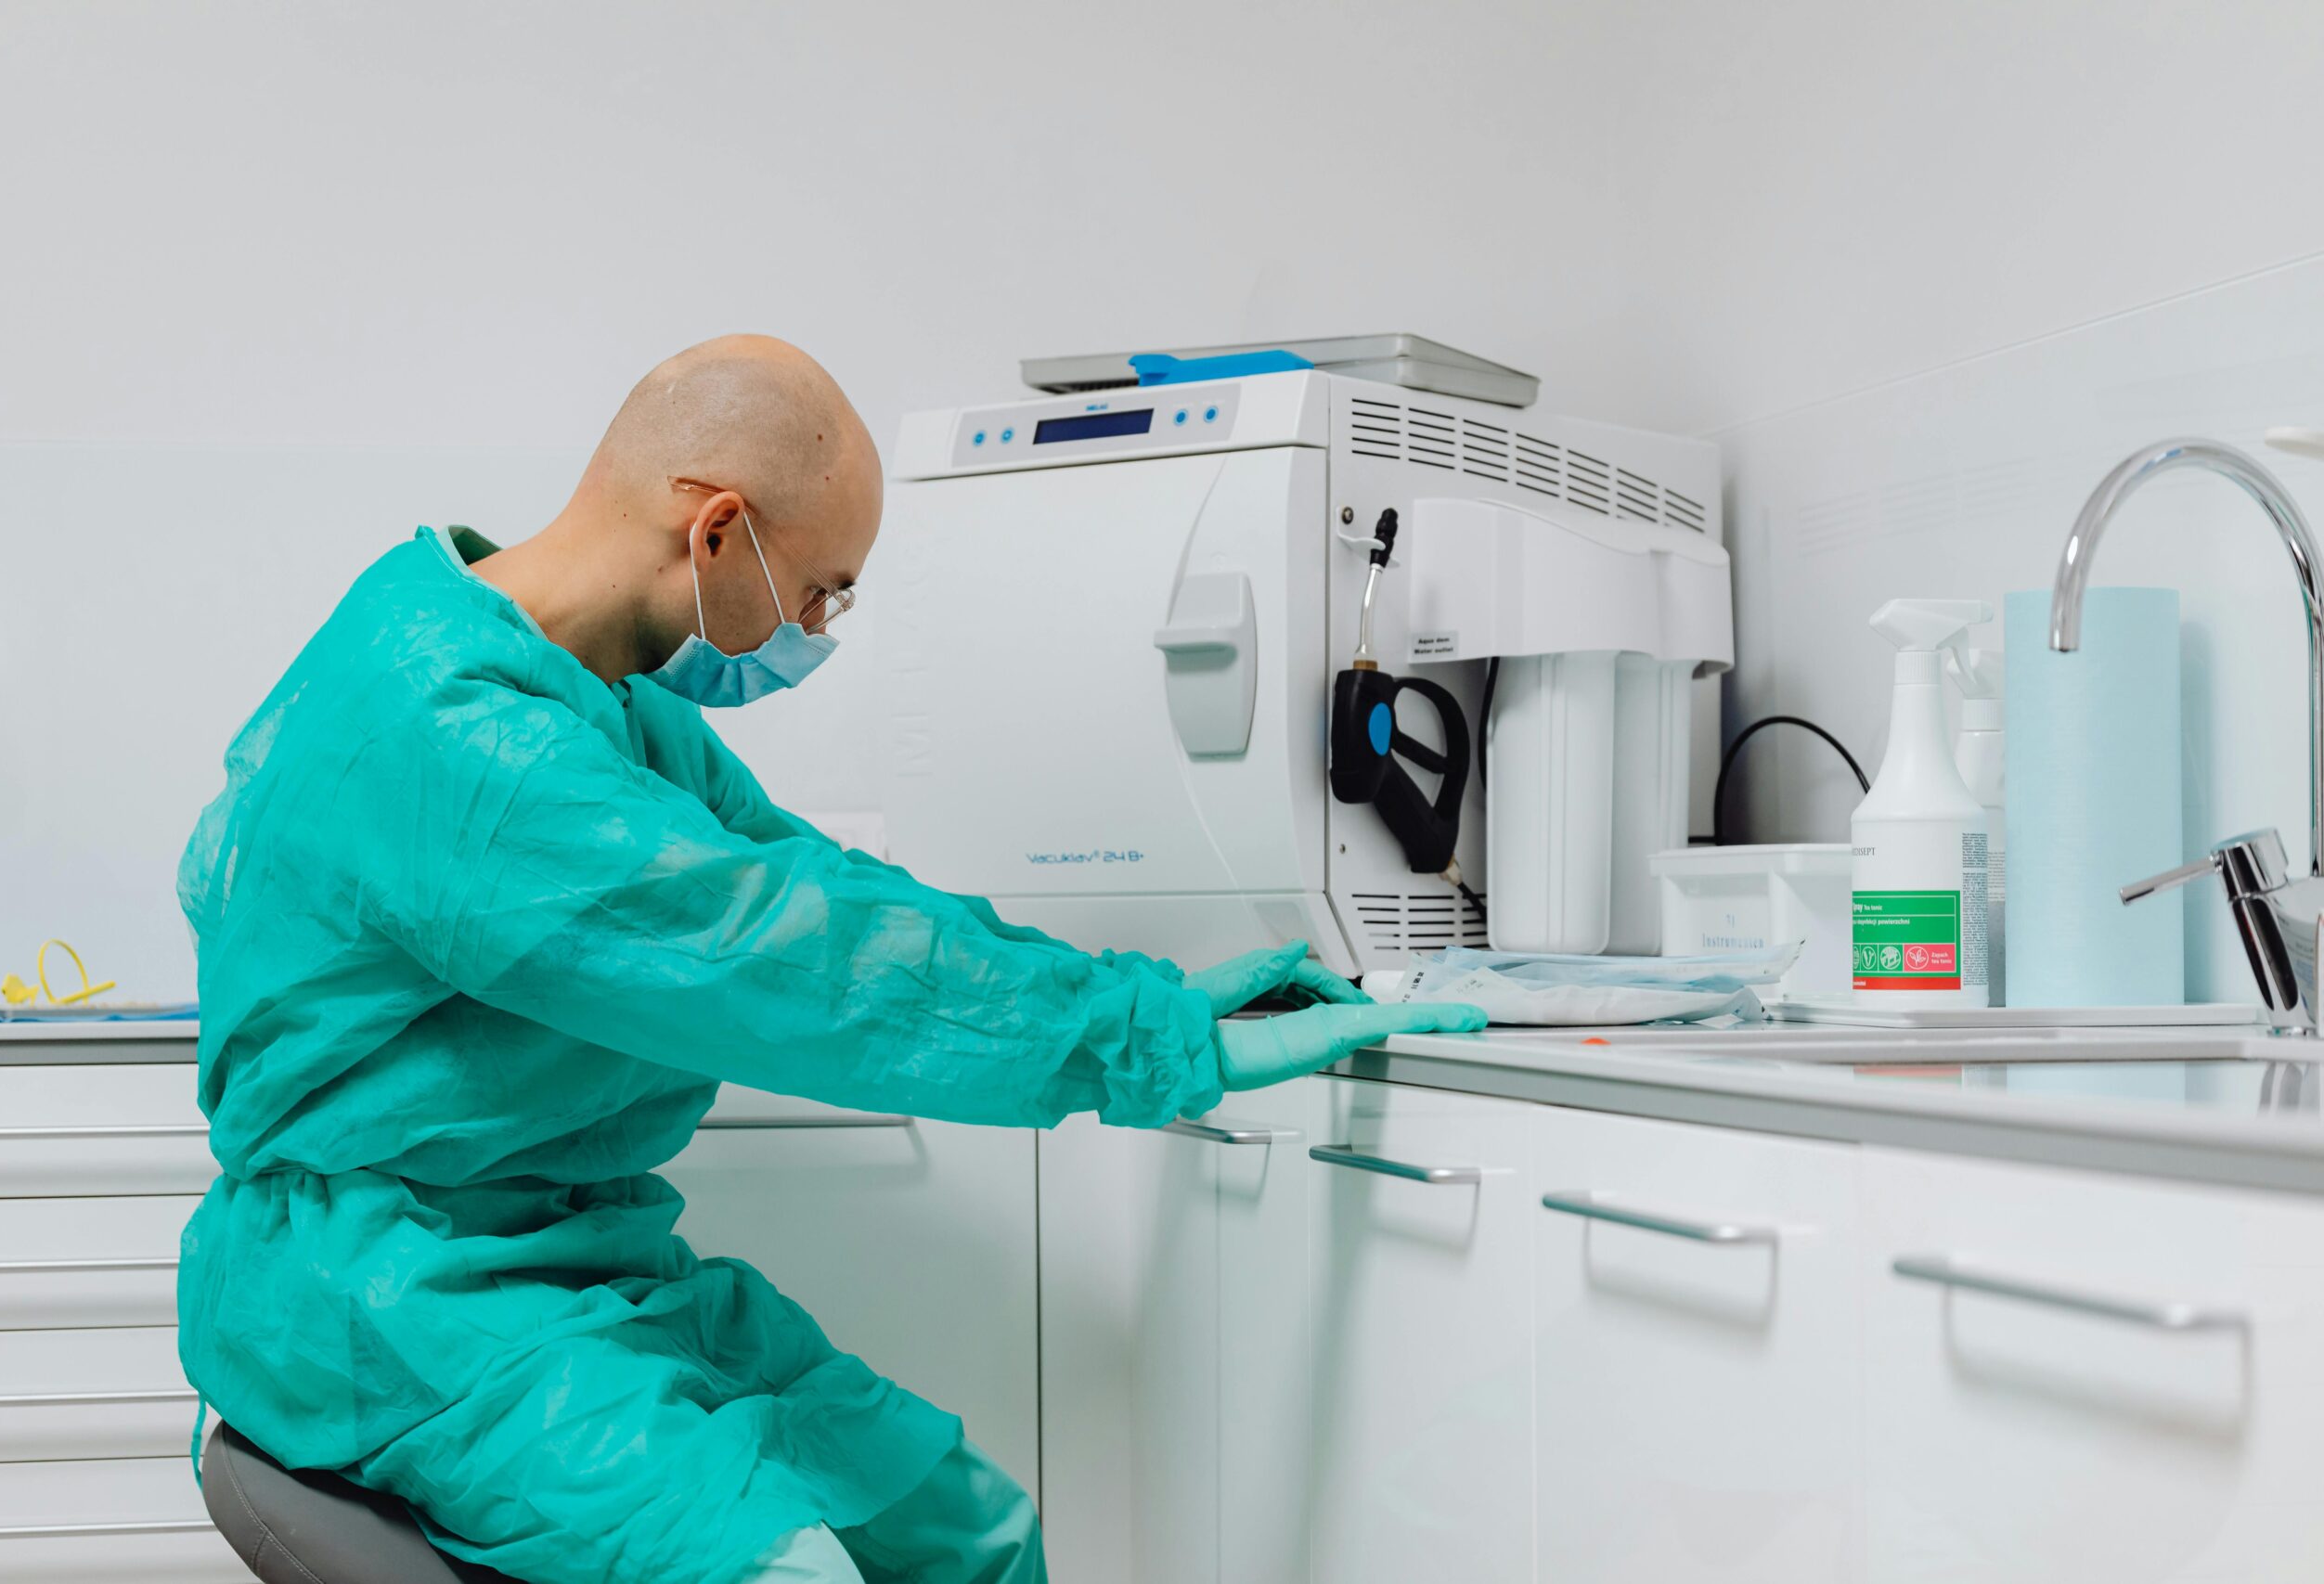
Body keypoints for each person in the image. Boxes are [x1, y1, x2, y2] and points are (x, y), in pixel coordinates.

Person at [175, 334, 1486, 1584]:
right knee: (785, 1571)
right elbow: (773, 955)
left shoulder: (588, 693)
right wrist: (1152, 1047)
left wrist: (1149, 995)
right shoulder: (458, 734)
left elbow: (818, 892)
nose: (817, 623)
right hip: (391, 1297)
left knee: (964, 1536)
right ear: (717, 529)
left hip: (583, 1274)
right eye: (820, 588)